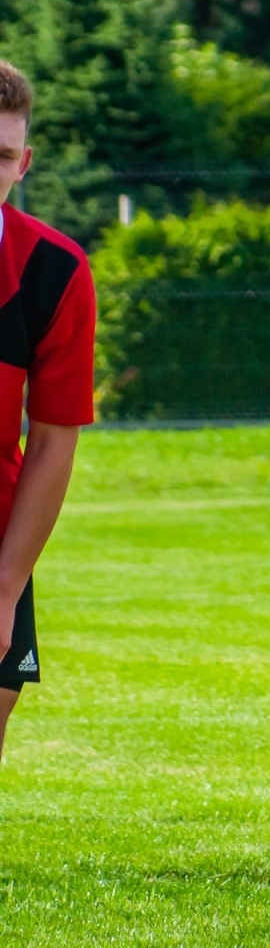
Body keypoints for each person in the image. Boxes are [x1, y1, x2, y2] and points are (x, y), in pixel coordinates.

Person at [0, 61, 96, 757]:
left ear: (23, 163)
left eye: (1, 155)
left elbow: (56, 436)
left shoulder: (54, 272)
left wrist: (5, 587)